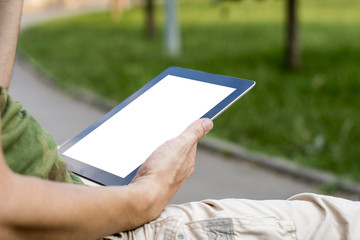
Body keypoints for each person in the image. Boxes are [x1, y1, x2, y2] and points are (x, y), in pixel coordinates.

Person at [0, 1, 359, 239]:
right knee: (344, 224)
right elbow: (8, 212)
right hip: (77, 225)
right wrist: (148, 195)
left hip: (60, 193)